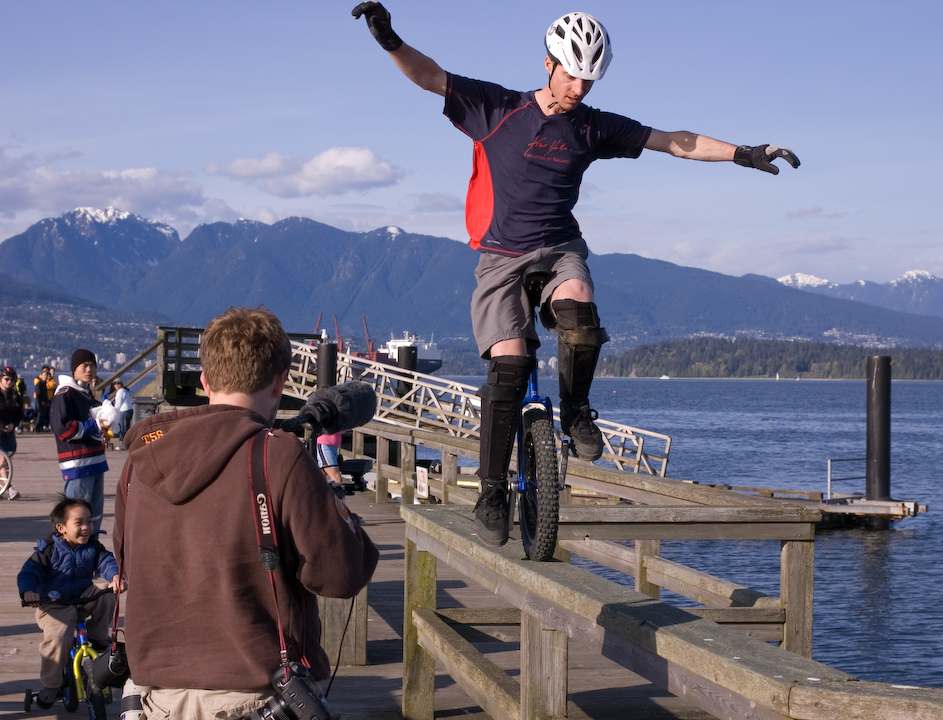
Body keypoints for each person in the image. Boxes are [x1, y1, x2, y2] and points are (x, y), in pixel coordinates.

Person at [353, 3, 800, 547]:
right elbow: (430, 77)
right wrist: (390, 39)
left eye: (589, 79)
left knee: (580, 300)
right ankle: (492, 490)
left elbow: (673, 140)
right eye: (570, 75)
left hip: (558, 248)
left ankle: (577, 410)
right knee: (510, 367)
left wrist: (743, 153)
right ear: (547, 64)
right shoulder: (497, 108)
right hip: (499, 256)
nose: (579, 89)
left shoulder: (591, 128)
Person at [113, 306, 379, 719]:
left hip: (155, 700)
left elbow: (126, 562)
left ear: (204, 381)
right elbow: (342, 574)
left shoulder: (138, 463)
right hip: (256, 698)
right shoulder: (278, 455)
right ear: (280, 381)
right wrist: (330, 494)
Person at [17, 495, 123, 709]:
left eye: (90, 521)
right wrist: (28, 591)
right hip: (53, 604)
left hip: (82, 597)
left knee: (106, 592)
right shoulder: (48, 550)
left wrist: (114, 576)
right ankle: (51, 686)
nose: (86, 527)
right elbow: (28, 573)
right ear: (61, 528)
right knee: (58, 640)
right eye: (79, 523)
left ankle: (97, 634)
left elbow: (106, 562)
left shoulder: (93, 547)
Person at [50, 350, 109, 538]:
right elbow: (63, 429)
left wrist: (103, 426)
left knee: (94, 518)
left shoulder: (86, 394)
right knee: (75, 519)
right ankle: (69, 560)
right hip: (78, 464)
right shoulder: (64, 394)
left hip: (96, 462)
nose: (89, 369)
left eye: (92, 365)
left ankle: (91, 558)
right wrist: (95, 425)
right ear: (74, 370)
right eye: (84, 365)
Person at [0, 366, 24, 499]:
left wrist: (13, 425)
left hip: (9, 431)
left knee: (6, 458)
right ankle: (9, 488)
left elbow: (19, 413)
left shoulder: (15, 395)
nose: (9, 382)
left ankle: (3, 487)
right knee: (2, 460)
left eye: (12, 380)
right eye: (6, 379)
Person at [111, 379, 133, 448]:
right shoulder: (125, 390)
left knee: (123, 428)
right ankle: (128, 443)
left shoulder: (120, 392)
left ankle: (124, 444)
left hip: (124, 411)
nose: (116, 386)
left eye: (118, 384)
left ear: (121, 384)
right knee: (126, 427)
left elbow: (118, 404)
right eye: (115, 384)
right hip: (129, 410)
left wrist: (114, 412)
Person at [33, 367, 53, 433]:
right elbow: (38, 393)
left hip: (45, 401)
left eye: (46, 375)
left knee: (44, 414)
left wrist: (46, 401)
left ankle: (41, 427)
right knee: (40, 414)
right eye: (44, 375)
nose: (45, 377)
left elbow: (45, 393)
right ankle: (37, 428)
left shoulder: (44, 383)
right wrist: (42, 401)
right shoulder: (39, 383)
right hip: (40, 401)